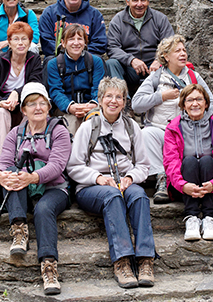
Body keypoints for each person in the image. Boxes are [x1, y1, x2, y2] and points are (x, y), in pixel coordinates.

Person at [67, 77, 155, 289]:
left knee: (139, 196)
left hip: (123, 181)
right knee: (112, 196)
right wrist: (98, 178)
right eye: (109, 96)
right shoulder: (88, 127)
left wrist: (130, 178)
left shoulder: (132, 127)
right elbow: (74, 166)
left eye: (119, 97)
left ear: (124, 102)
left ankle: (145, 259)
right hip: (92, 187)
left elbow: (143, 164)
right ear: (100, 100)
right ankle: (122, 260)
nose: (114, 101)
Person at [0, 82, 71, 295]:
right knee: (11, 172)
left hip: (54, 187)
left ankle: (49, 266)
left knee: (43, 209)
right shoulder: (15, 134)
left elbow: (57, 166)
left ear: (48, 106)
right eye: (31, 104)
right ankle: (19, 228)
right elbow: (3, 162)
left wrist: (33, 177)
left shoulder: (59, 130)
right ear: (23, 110)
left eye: (42, 103)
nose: (38, 108)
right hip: (25, 187)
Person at [131, 34, 213, 204]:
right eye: (177, 51)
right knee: (147, 133)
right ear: (165, 56)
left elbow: (212, 105)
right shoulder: (156, 77)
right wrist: (161, 96)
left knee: (212, 130)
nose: (182, 54)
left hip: (188, 131)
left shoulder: (194, 77)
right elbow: (136, 104)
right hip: (161, 129)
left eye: (184, 50)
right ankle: (162, 178)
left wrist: (198, 117)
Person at [163, 84, 213, 241]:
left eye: (199, 99)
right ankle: (191, 217)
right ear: (183, 104)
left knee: (207, 160)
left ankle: (208, 217)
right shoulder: (173, 127)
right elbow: (170, 161)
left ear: (206, 103)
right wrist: (182, 185)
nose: (195, 104)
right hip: (184, 186)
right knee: (189, 161)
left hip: (212, 184)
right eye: (190, 100)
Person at [0, 22, 44, 159]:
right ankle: (3, 158)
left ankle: (25, 156)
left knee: (32, 113)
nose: (20, 43)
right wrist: (0, 102)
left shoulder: (34, 60)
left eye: (24, 39)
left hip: (25, 102)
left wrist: (17, 92)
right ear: (9, 43)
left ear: (29, 43)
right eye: (16, 39)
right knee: (0, 113)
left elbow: (36, 84)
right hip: (5, 104)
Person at [106, 0, 174, 95]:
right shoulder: (117, 21)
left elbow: (171, 44)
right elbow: (112, 48)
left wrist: (159, 60)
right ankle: (124, 102)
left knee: (175, 60)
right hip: (130, 69)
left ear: (148, 1)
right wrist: (131, 60)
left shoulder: (160, 19)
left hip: (156, 68)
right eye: (135, 0)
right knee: (111, 63)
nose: (139, 4)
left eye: (143, 0)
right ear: (127, 1)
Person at [47, 24, 105, 134]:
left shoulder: (96, 61)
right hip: (65, 108)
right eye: (71, 39)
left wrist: (93, 104)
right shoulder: (54, 64)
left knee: (95, 121)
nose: (76, 43)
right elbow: (55, 91)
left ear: (85, 42)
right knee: (72, 123)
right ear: (63, 43)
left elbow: (99, 87)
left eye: (80, 39)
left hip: (91, 106)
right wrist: (70, 107)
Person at [38, 0, 107, 62]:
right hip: (58, 60)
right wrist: (67, 54)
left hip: (86, 59)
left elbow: (100, 43)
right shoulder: (49, 13)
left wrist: (78, 53)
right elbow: (46, 42)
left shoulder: (95, 15)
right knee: (49, 61)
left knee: (99, 60)